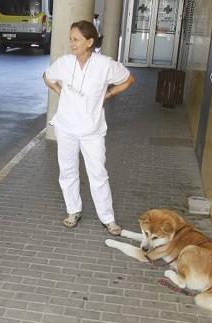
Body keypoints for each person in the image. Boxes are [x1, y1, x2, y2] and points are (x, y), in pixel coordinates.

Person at [43, 20, 135, 235]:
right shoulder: (65, 62)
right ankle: (73, 211)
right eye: (70, 39)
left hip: (92, 130)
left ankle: (108, 219)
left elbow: (129, 80)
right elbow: (47, 77)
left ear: (89, 42)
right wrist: (60, 91)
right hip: (66, 127)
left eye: (76, 39)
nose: (72, 43)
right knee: (67, 171)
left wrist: (108, 95)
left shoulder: (105, 65)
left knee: (98, 173)